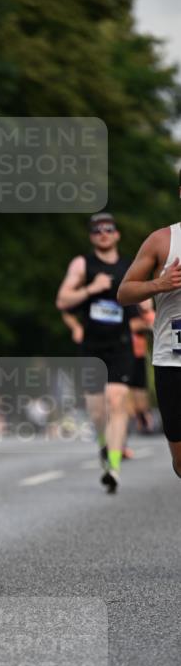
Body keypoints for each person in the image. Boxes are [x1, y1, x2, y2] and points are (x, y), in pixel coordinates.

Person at [56, 213, 148, 493]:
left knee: (117, 400)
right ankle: (104, 446)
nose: (103, 233)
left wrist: (148, 317)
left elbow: (145, 301)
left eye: (109, 229)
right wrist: (91, 289)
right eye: (97, 230)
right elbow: (62, 300)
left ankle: (114, 467)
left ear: (117, 234)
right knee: (97, 412)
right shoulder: (82, 264)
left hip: (121, 344)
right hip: (92, 346)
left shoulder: (129, 266)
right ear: (91, 236)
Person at [117, 198, 181, 479]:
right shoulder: (162, 240)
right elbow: (124, 293)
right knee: (180, 460)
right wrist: (160, 284)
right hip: (173, 359)